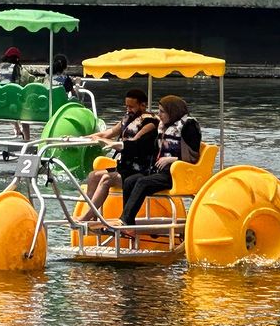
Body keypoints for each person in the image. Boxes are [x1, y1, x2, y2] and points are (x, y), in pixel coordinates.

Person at [76, 88, 159, 223]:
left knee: (106, 179)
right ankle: (93, 215)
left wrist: (108, 142)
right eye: (126, 106)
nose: (128, 109)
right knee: (93, 176)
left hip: (139, 170)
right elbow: (106, 134)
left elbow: (133, 144)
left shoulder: (150, 123)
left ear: (142, 105)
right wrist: (80, 139)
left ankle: (85, 218)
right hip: (124, 167)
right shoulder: (127, 119)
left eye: (131, 107)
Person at [118, 94, 201, 226]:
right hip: (160, 171)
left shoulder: (189, 125)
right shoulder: (164, 126)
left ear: (172, 111)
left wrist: (172, 160)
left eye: (162, 111)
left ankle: (125, 220)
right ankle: (128, 222)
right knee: (129, 181)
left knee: (143, 182)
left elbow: (193, 156)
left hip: (178, 173)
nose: (159, 114)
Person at [0, 46, 34, 141]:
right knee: (23, 111)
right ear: (17, 59)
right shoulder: (19, 70)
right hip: (12, 107)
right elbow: (31, 81)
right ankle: (27, 140)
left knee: (9, 98)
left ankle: (16, 128)